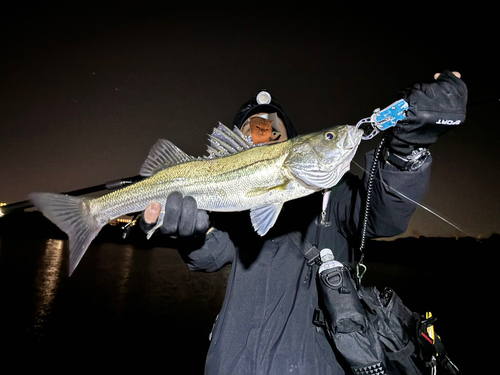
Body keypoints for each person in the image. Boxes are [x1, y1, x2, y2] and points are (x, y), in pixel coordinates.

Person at [140, 71, 467, 374]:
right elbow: (210, 255)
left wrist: (406, 147)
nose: (263, 133)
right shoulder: (238, 209)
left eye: (272, 129)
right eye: (254, 130)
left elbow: (385, 214)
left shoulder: (335, 197)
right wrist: (190, 235)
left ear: (291, 143)